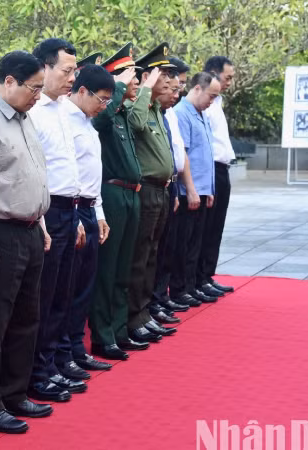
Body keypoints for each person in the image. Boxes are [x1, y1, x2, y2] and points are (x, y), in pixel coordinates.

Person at [0, 50, 51, 434]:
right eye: (34, 88)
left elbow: (31, 175)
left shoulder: (25, 118)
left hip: (31, 230)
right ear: (10, 81)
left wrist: (42, 223)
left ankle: (15, 392)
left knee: (25, 319)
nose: (38, 95)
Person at [26, 37, 87, 403]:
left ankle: (52, 364)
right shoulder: (32, 112)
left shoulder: (65, 110)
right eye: (65, 70)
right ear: (44, 68)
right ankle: (37, 372)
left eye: (73, 71)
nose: (70, 78)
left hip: (71, 208)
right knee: (42, 298)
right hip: (46, 212)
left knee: (62, 295)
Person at [89, 43, 148, 361]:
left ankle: (119, 329)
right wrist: (118, 89)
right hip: (111, 193)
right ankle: (103, 335)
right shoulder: (107, 113)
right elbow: (98, 125)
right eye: (130, 78)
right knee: (108, 269)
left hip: (131, 194)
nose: (136, 83)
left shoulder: (123, 114)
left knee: (124, 267)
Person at [58, 61, 115, 375]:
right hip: (72, 209)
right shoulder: (63, 119)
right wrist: (78, 215)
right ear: (82, 90)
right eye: (101, 99)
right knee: (66, 290)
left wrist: (100, 212)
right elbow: (69, 175)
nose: (104, 107)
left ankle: (77, 349)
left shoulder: (86, 121)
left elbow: (93, 172)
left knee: (83, 287)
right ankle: (63, 354)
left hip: (90, 207)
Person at [124, 44, 178, 343]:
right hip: (144, 191)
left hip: (161, 190)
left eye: (171, 75)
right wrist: (145, 90)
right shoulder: (140, 105)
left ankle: (144, 314)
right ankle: (134, 318)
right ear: (146, 77)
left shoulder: (157, 109)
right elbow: (135, 122)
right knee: (139, 257)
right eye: (163, 74)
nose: (170, 81)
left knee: (152, 256)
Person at [170, 72, 221, 308]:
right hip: (188, 190)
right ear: (198, 89)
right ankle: (181, 289)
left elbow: (206, 154)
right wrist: (190, 189)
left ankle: (192, 286)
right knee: (184, 244)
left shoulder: (201, 114)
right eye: (211, 95)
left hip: (202, 188)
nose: (212, 101)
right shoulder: (183, 113)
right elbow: (184, 156)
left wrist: (208, 188)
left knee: (195, 244)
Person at [150, 57, 194, 323]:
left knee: (163, 249)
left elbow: (177, 154)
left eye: (179, 89)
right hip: (149, 189)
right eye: (172, 88)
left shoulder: (168, 115)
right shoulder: (151, 112)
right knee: (149, 254)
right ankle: (151, 304)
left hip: (169, 185)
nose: (176, 94)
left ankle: (158, 299)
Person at [199, 56, 237, 296]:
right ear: (213, 73)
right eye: (228, 77)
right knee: (206, 227)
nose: (230, 82)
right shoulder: (205, 104)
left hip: (222, 168)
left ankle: (207, 275)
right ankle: (199, 278)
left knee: (216, 227)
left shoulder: (218, 102)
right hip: (211, 169)